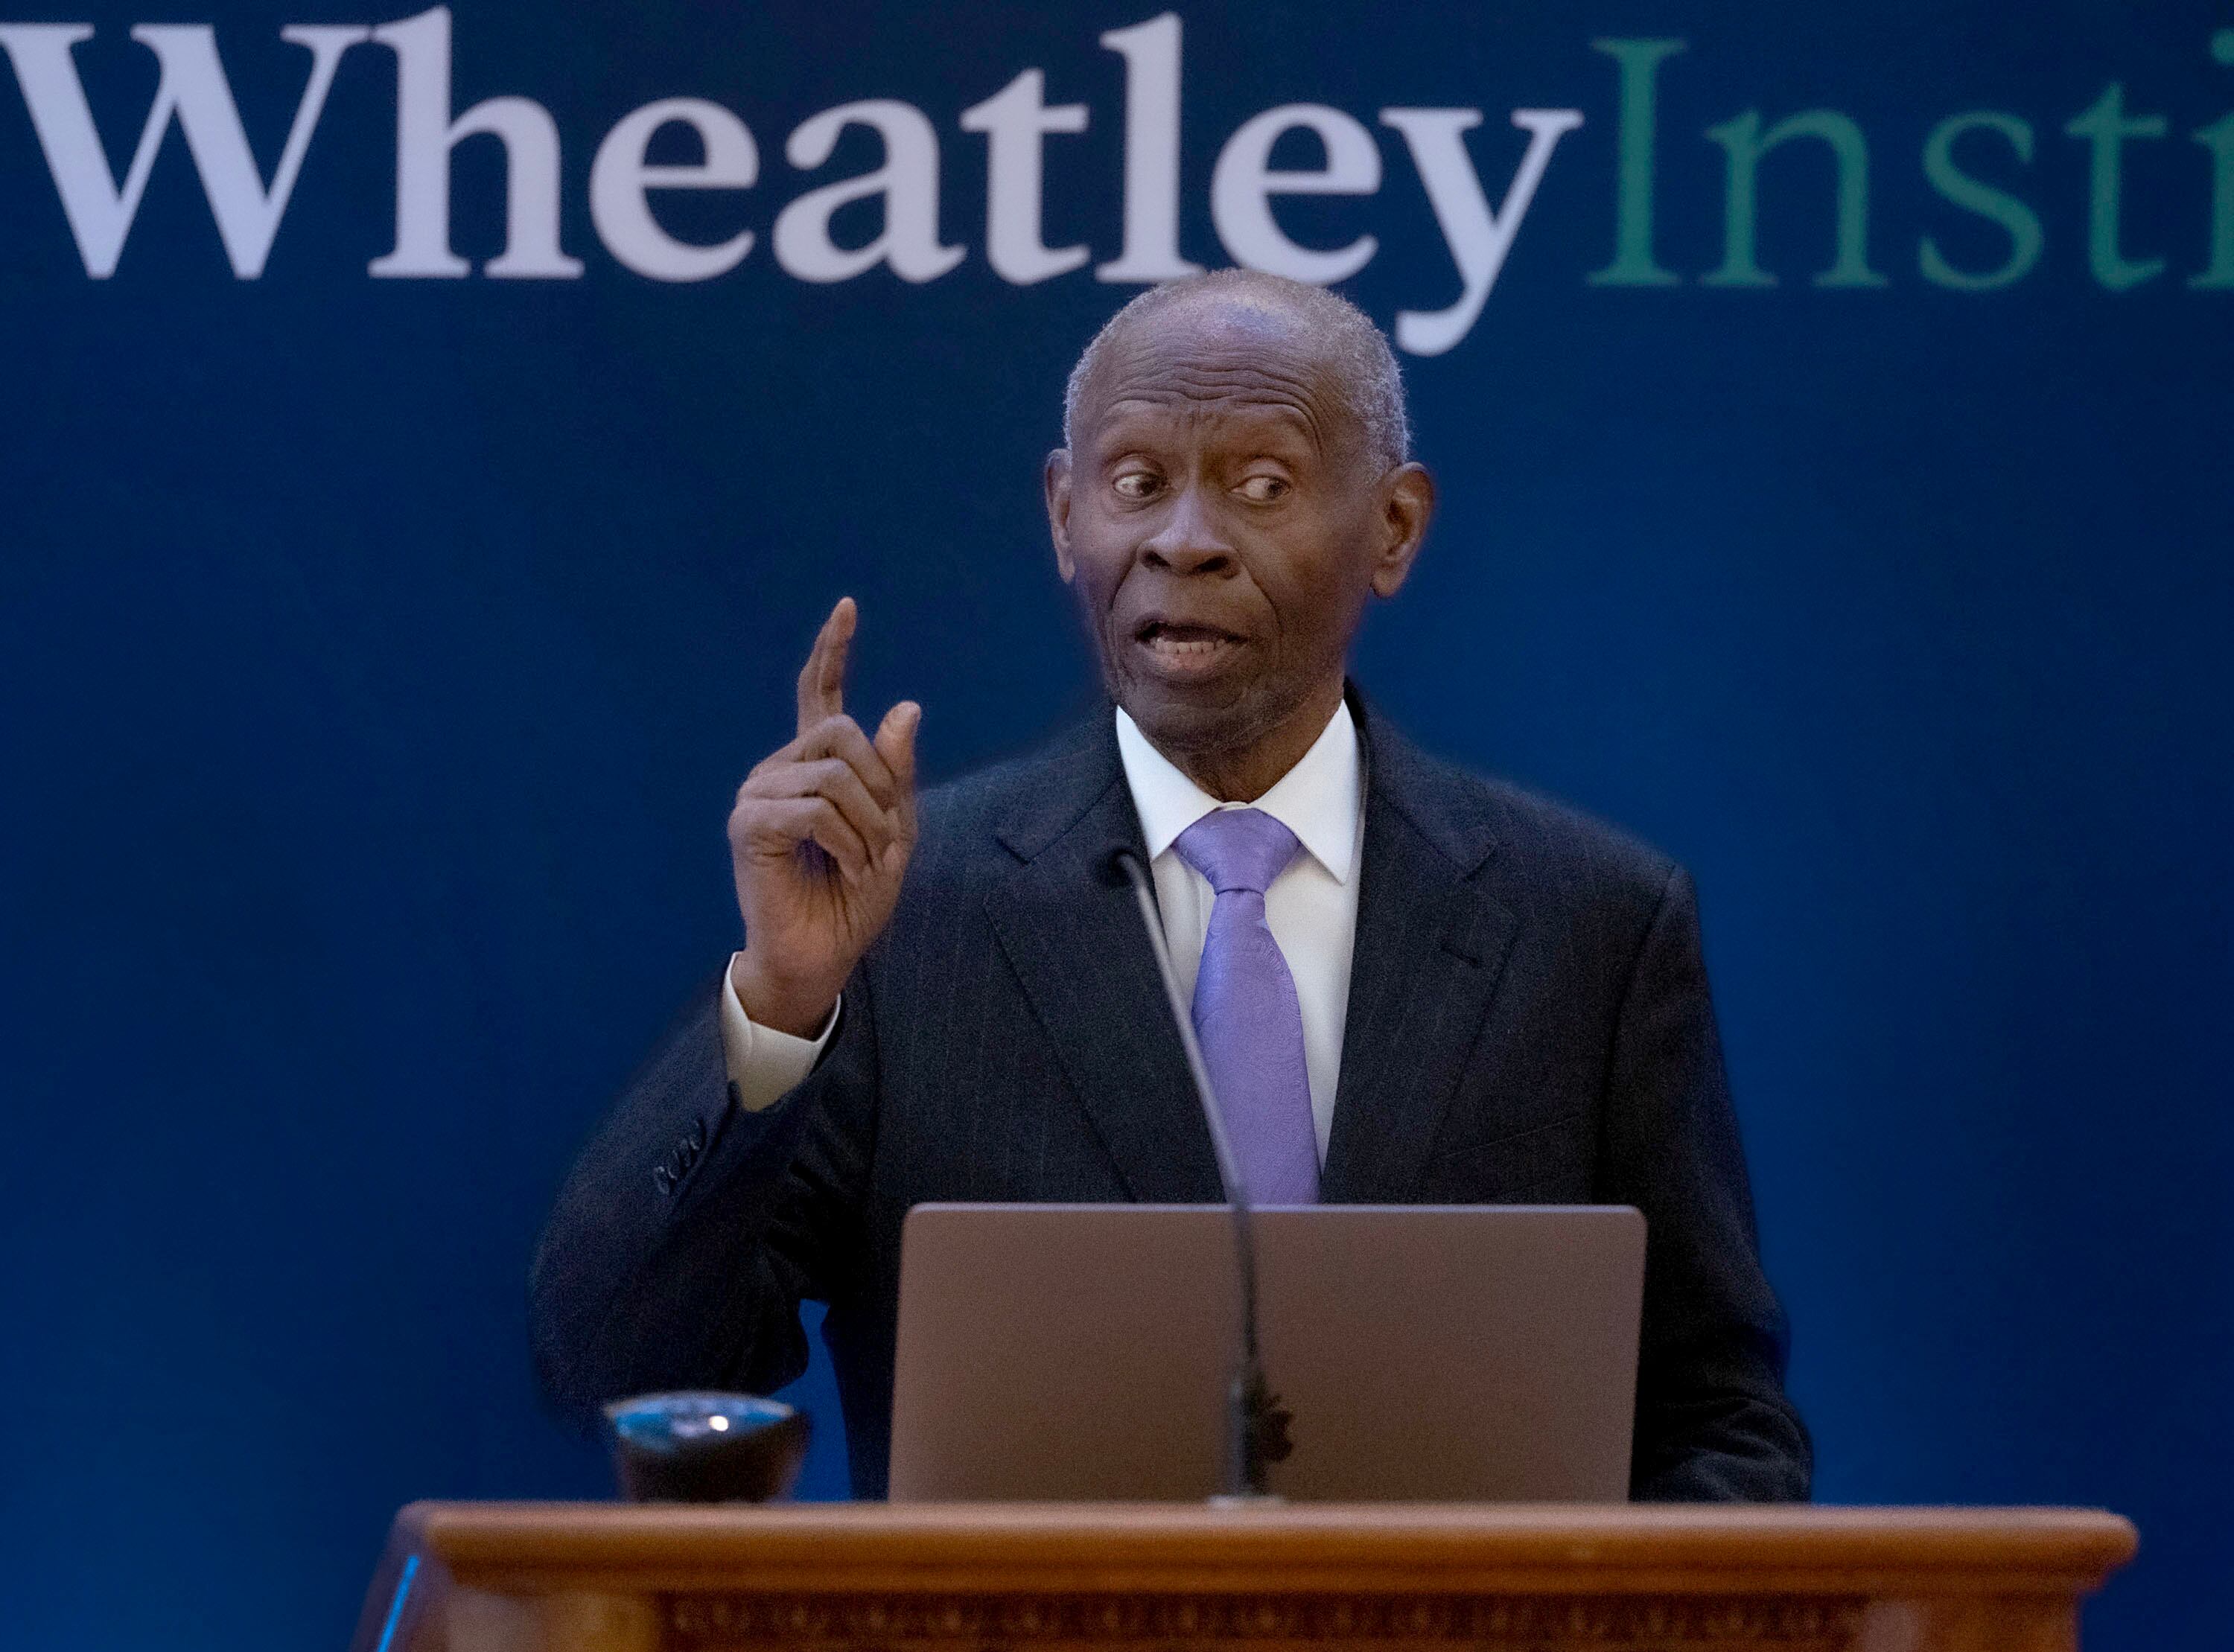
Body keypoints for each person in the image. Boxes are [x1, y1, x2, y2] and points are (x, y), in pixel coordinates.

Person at [529, 270, 1811, 1501]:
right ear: (1063, 516)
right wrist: (784, 1002)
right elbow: (623, 1368)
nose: (1184, 542)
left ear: (1395, 527)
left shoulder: (1590, 923)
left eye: (1262, 483)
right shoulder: (909, 916)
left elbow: (1719, 1426)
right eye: (1136, 483)